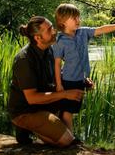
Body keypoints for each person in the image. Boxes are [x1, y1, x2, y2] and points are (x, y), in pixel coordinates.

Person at [53, 3, 115, 132]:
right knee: (67, 111)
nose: (78, 20)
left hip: (80, 79)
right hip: (68, 80)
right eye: (74, 18)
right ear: (62, 21)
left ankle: (65, 135)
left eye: (78, 17)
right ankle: (69, 137)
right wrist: (59, 85)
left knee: (73, 109)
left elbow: (101, 29)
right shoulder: (60, 40)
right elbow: (57, 64)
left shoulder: (83, 32)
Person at [8, 16, 84, 147]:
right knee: (65, 141)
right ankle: (27, 127)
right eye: (49, 30)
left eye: (52, 28)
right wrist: (65, 94)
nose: (54, 31)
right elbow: (32, 98)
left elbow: (58, 76)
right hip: (26, 110)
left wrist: (80, 80)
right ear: (38, 38)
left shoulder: (50, 50)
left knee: (75, 88)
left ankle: (65, 134)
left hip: (44, 105)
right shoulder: (24, 60)